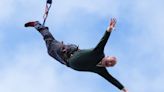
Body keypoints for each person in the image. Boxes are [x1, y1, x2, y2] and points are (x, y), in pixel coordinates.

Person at [25, 18, 128, 92]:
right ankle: (37, 24)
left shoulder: (101, 70)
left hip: (64, 60)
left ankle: (40, 28)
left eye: (111, 64)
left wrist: (124, 89)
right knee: (49, 40)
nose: (109, 63)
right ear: (107, 56)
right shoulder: (99, 53)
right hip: (66, 51)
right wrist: (109, 29)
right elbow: (103, 40)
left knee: (49, 50)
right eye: (110, 61)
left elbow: (112, 80)